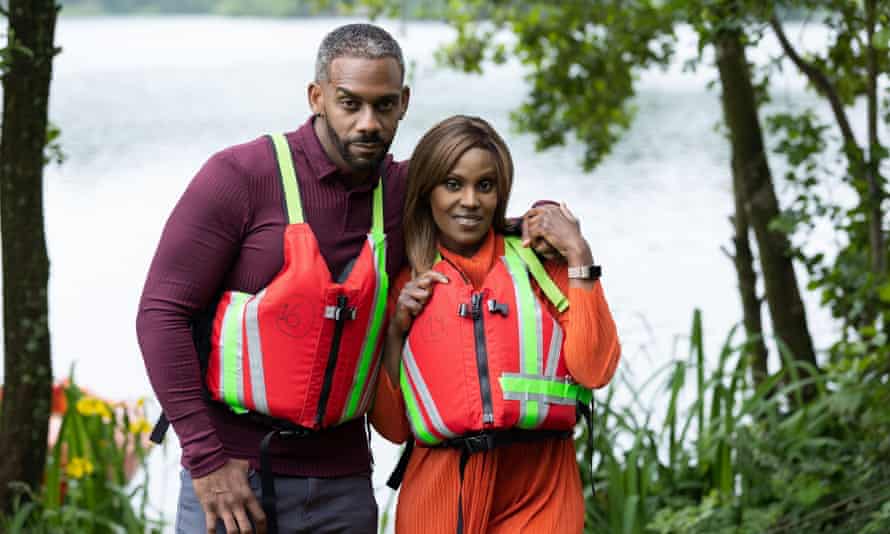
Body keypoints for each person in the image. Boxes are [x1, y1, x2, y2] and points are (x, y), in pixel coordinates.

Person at [137, 24, 563, 534]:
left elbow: (478, 211)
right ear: (317, 97)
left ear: (404, 103)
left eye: (384, 106)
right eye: (349, 103)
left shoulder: (406, 193)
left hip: (343, 484)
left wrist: (544, 216)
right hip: (235, 476)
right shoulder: (241, 177)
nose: (369, 123)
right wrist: (205, 459)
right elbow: (161, 313)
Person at [370, 115, 621, 534]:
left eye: (484, 186)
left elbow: (595, 369)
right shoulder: (404, 281)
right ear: (427, 191)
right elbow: (393, 429)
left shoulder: (542, 265)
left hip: (541, 489)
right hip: (438, 493)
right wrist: (396, 329)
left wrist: (579, 253)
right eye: (453, 184)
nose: (470, 201)